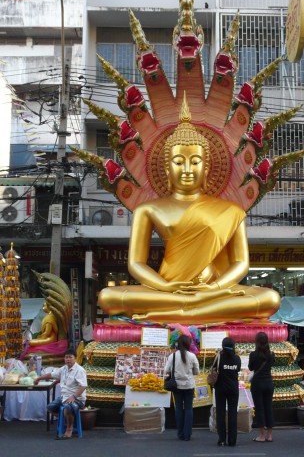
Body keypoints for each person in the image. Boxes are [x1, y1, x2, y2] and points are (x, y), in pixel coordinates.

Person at [98, 96, 280, 324]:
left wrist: (213, 289)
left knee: (270, 298)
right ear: (166, 168)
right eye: (178, 161)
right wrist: (165, 285)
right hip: (167, 289)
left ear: (207, 168)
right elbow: (136, 263)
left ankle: (178, 313)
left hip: (213, 291)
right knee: (107, 297)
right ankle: (197, 312)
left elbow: (241, 263)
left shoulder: (231, 211)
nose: (187, 169)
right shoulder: (148, 209)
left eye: (195, 161)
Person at [34, 349, 87, 439]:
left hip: (77, 398)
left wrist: (73, 396)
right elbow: (51, 375)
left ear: (75, 358)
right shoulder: (64, 369)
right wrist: (39, 378)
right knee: (50, 407)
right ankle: (66, 418)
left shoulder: (79, 370)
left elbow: (83, 386)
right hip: (64, 397)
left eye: (70, 357)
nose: (68, 359)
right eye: (66, 357)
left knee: (67, 408)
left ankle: (69, 428)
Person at [164, 334, 199, 441]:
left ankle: (180, 433)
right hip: (189, 386)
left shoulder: (172, 356)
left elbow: (166, 371)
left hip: (176, 386)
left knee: (178, 408)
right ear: (188, 344)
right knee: (188, 409)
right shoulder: (192, 356)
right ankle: (187, 434)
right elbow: (196, 372)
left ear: (178, 344)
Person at [214, 337, 241, 447]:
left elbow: (214, 369)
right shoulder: (237, 359)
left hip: (220, 388)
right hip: (233, 388)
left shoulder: (218, 357)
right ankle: (232, 440)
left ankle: (221, 439)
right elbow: (238, 369)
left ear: (222, 346)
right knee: (232, 413)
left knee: (220, 413)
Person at [248, 331, 275, 443]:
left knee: (259, 409)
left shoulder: (253, 354)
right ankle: (270, 435)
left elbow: (250, 368)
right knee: (268, 407)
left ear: (257, 342)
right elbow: (272, 364)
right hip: (269, 382)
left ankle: (261, 435)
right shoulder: (272, 354)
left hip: (258, 383)